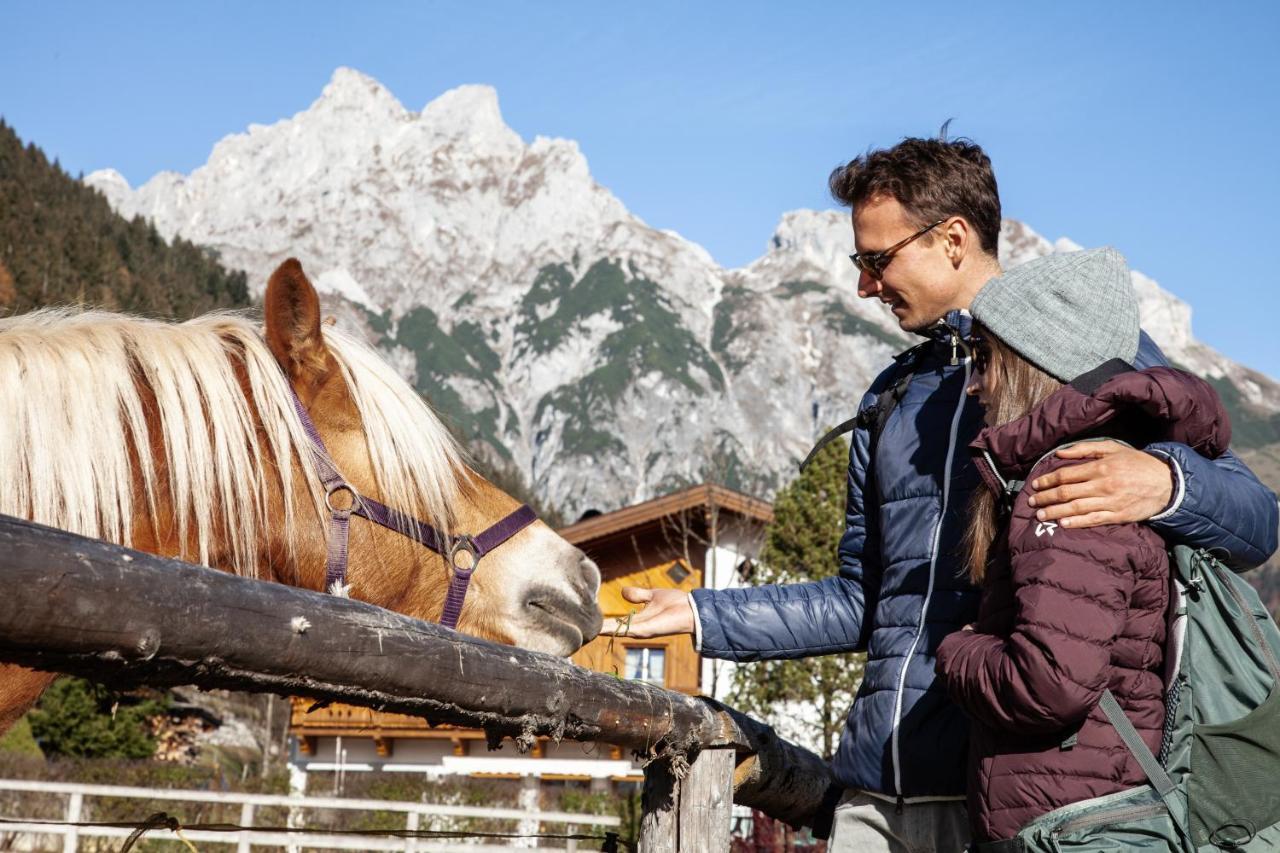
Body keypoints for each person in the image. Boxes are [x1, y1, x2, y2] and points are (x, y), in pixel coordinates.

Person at [603, 137, 1279, 853]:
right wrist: (702, 612)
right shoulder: (891, 397)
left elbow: (1257, 518)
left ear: (952, 238)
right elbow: (863, 601)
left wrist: (1164, 481)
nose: (865, 285)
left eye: (877, 259)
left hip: (1010, 798)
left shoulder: (1086, 353)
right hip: (873, 786)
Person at [934, 246, 1225, 846]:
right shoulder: (1116, 463)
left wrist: (956, 652)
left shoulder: (1069, 485)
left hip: (1071, 823)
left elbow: (1051, 683)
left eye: (986, 359)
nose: (974, 385)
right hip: (1090, 803)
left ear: (1034, 363)